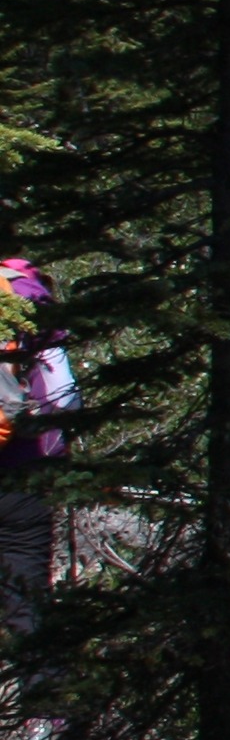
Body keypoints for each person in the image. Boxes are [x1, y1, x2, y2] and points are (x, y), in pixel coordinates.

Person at [0, 259, 75, 640]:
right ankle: (44, 693)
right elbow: (65, 397)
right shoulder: (31, 301)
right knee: (27, 598)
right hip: (23, 472)